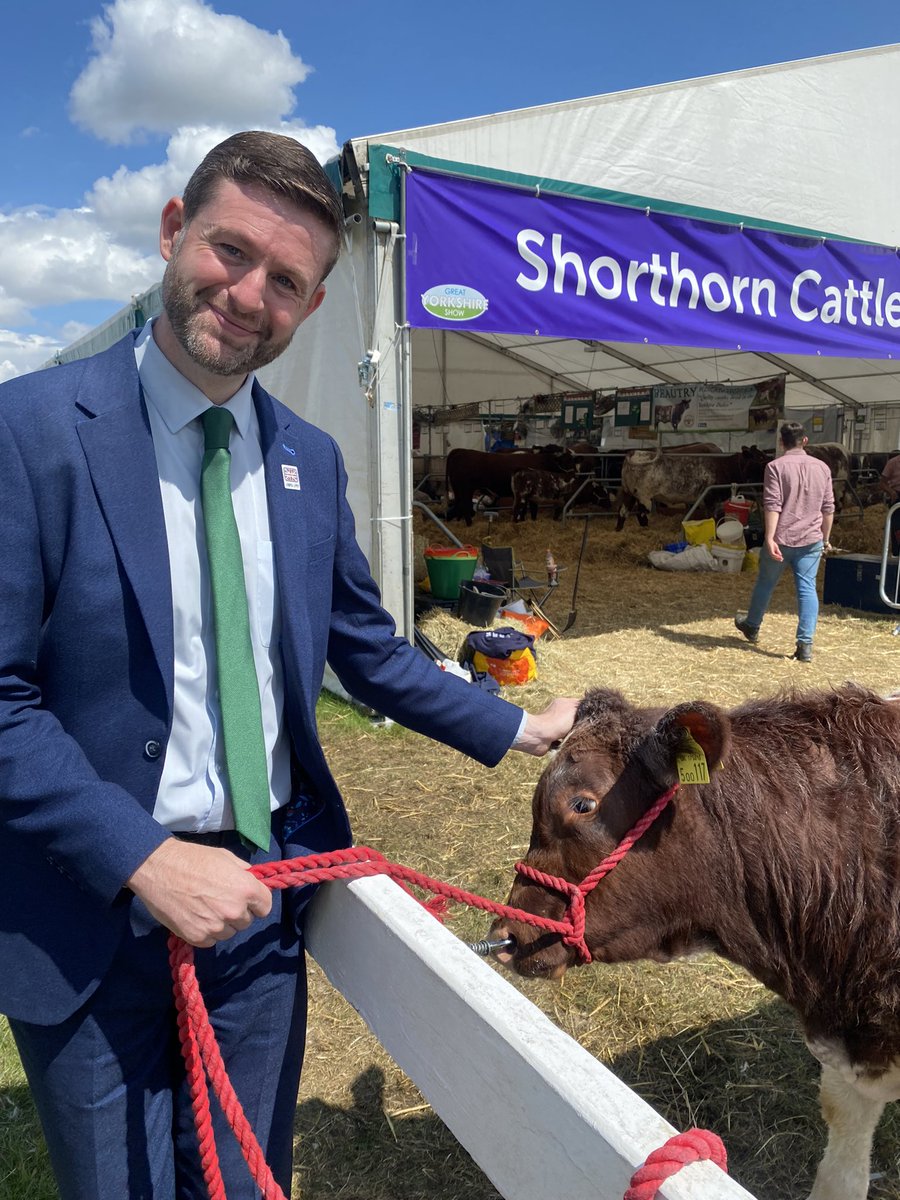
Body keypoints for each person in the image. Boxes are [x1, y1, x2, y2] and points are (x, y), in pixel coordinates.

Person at [0, 131, 578, 1199]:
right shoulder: (28, 433)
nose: (248, 293)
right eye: (230, 251)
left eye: (286, 280)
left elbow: (363, 650)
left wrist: (515, 726)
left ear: (311, 308)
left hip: (264, 906)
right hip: (92, 911)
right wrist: (144, 856)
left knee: (243, 1175)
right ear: (175, 231)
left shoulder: (309, 460)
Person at [734, 421, 834, 662]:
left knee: (765, 583)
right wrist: (826, 539)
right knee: (807, 589)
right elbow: (828, 508)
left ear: (781, 442)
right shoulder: (822, 468)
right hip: (811, 539)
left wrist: (769, 537)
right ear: (805, 441)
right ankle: (805, 644)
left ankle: (752, 625)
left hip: (782, 538)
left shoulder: (775, 467)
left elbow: (772, 505)